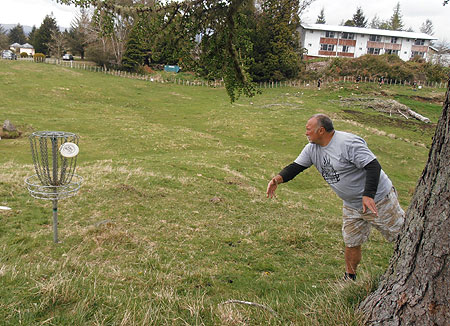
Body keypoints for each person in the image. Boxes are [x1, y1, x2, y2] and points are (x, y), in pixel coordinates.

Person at [266, 114, 405, 281]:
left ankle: (408, 273)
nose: (306, 133)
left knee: (403, 236)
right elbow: (296, 167)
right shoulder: (312, 148)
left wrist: (369, 195)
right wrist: (277, 180)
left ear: (321, 130)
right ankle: (349, 278)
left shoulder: (347, 143)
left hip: (379, 199)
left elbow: (373, 166)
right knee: (351, 241)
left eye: (308, 130)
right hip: (352, 204)